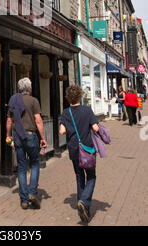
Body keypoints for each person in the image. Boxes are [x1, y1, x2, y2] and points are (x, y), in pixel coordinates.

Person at [59, 85, 99, 224]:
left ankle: (82, 205)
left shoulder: (66, 112)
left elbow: (62, 131)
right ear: (80, 96)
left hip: (74, 149)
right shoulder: (87, 111)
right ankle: (84, 201)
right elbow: (95, 127)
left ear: (68, 97)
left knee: (79, 175)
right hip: (87, 149)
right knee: (92, 176)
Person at [6, 77, 48, 210]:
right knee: (35, 164)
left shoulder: (14, 100)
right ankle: (32, 193)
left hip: (18, 136)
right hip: (31, 136)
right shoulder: (33, 101)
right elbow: (38, 120)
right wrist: (43, 138)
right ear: (29, 88)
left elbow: (9, 121)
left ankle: (24, 200)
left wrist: (8, 135)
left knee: (22, 167)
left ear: (19, 88)